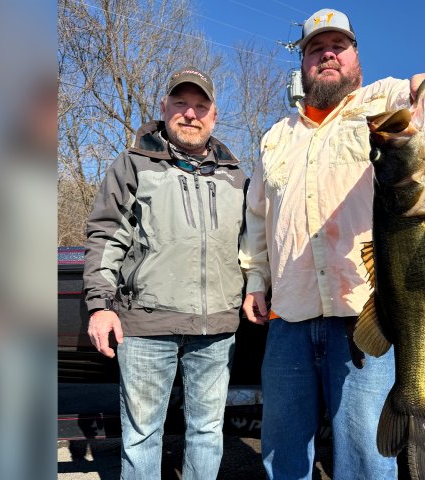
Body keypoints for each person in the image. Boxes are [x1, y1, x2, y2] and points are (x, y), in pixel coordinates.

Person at [239, 8, 425, 480]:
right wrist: (255, 281)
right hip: (289, 319)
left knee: (364, 457)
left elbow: (424, 104)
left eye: (338, 46)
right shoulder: (275, 138)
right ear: (302, 64)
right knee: (281, 452)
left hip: (364, 318)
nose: (327, 56)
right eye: (315, 49)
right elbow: (258, 218)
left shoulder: (378, 103)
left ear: (356, 56)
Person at [83, 67, 248, 480]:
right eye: (180, 103)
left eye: (200, 106)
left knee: (208, 432)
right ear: (164, 108)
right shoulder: (133, 164)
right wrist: (100, 305)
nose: (190, 114)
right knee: (142, 436)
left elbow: (255, 247)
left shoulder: (237, 176)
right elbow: (106, 236)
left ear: (213, 116)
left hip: (218, 328)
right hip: (145, 325)